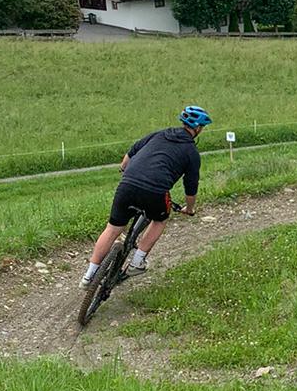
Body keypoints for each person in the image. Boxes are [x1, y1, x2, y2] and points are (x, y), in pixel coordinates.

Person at [79, 106, 212, 289]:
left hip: (127, 184)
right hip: (156, 192)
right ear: (197, 128)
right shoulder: (192, 153)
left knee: (112, 229)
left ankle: (88, 275)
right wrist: (189, 209)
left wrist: (124, 169)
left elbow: (132, 151)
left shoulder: (159, 134)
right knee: (160, 219)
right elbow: (191, 186)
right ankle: (137, 262)